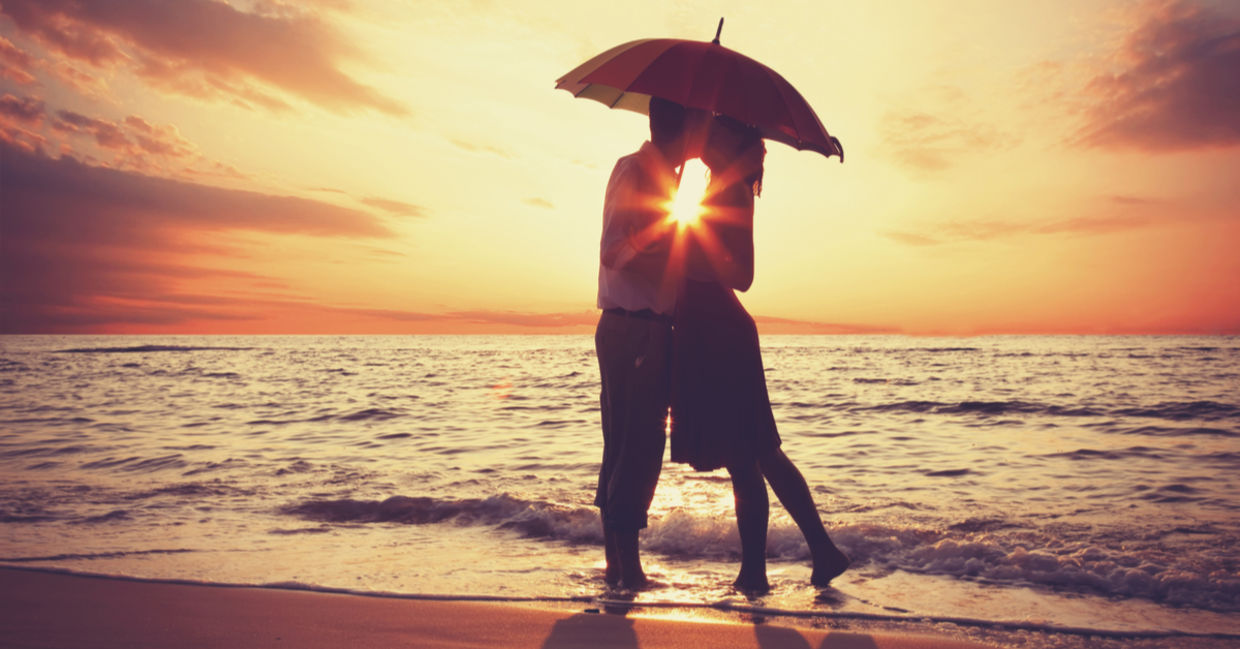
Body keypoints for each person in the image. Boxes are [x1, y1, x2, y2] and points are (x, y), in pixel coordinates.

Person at [669, 115, 850, 592]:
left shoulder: (732, 194)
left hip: (721, 338)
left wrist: (694, 242)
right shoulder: (716, 190)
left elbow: (742, 274)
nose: (705, 133)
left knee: (753, 456)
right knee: (753, 457)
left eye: (716, 130)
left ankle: (769, 568)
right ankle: (801, 559)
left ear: (733, 143)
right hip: (710, 335)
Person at [594, 96, 703, 589]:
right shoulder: (636, 171)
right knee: (636, 446)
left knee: (627, 444)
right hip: (633, 326)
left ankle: (619, 567)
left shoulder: (665, 179)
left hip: (643, 327)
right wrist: (669, 255)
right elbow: (615, 251)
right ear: (680, 131)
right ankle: (627, 569)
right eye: (696, 128)